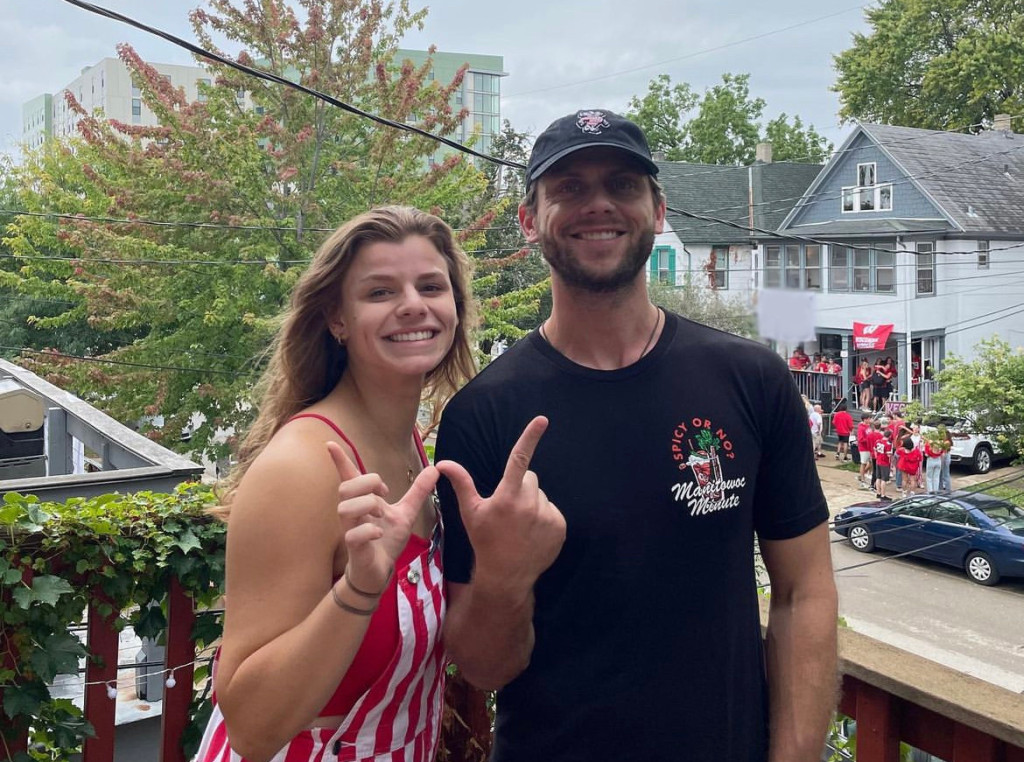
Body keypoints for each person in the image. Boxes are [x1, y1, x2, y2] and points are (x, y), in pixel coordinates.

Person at [435, 110, 838, 762]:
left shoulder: (751, 380)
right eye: (568, 188)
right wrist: (505, 578)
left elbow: (804, 591)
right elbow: (481, 668)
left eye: (622, 185)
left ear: (657, 209)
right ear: (530, 220)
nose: (598, 204)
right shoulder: (484, 416)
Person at [195, 206, 478, 762]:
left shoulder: (411, 446)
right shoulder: (302, 467)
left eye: (430, 286)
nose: (413, 305)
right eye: (379, 292)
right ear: (337, 319)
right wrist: (358, 592)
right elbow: (251, 728)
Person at [874, 429, 894, 501]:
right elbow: (889, 455)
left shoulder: (878, 441)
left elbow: (875, 450)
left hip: (878, 461)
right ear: (889, 436)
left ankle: (878, 493)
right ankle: (883, 495)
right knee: (883, 479)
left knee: (878, 478)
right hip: (885, 462)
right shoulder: (888, 444)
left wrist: (877, 457)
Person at [856, 412, 873, 488]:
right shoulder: (861, 428)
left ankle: (862, 474)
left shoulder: (868, 426)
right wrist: (869, 439)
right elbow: (860, 439)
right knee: (863, 463)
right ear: (865, 419)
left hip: (870, 447)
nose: (870, 420)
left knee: (871, 463)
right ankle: (862, 479)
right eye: (869, 418)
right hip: (864, 448)